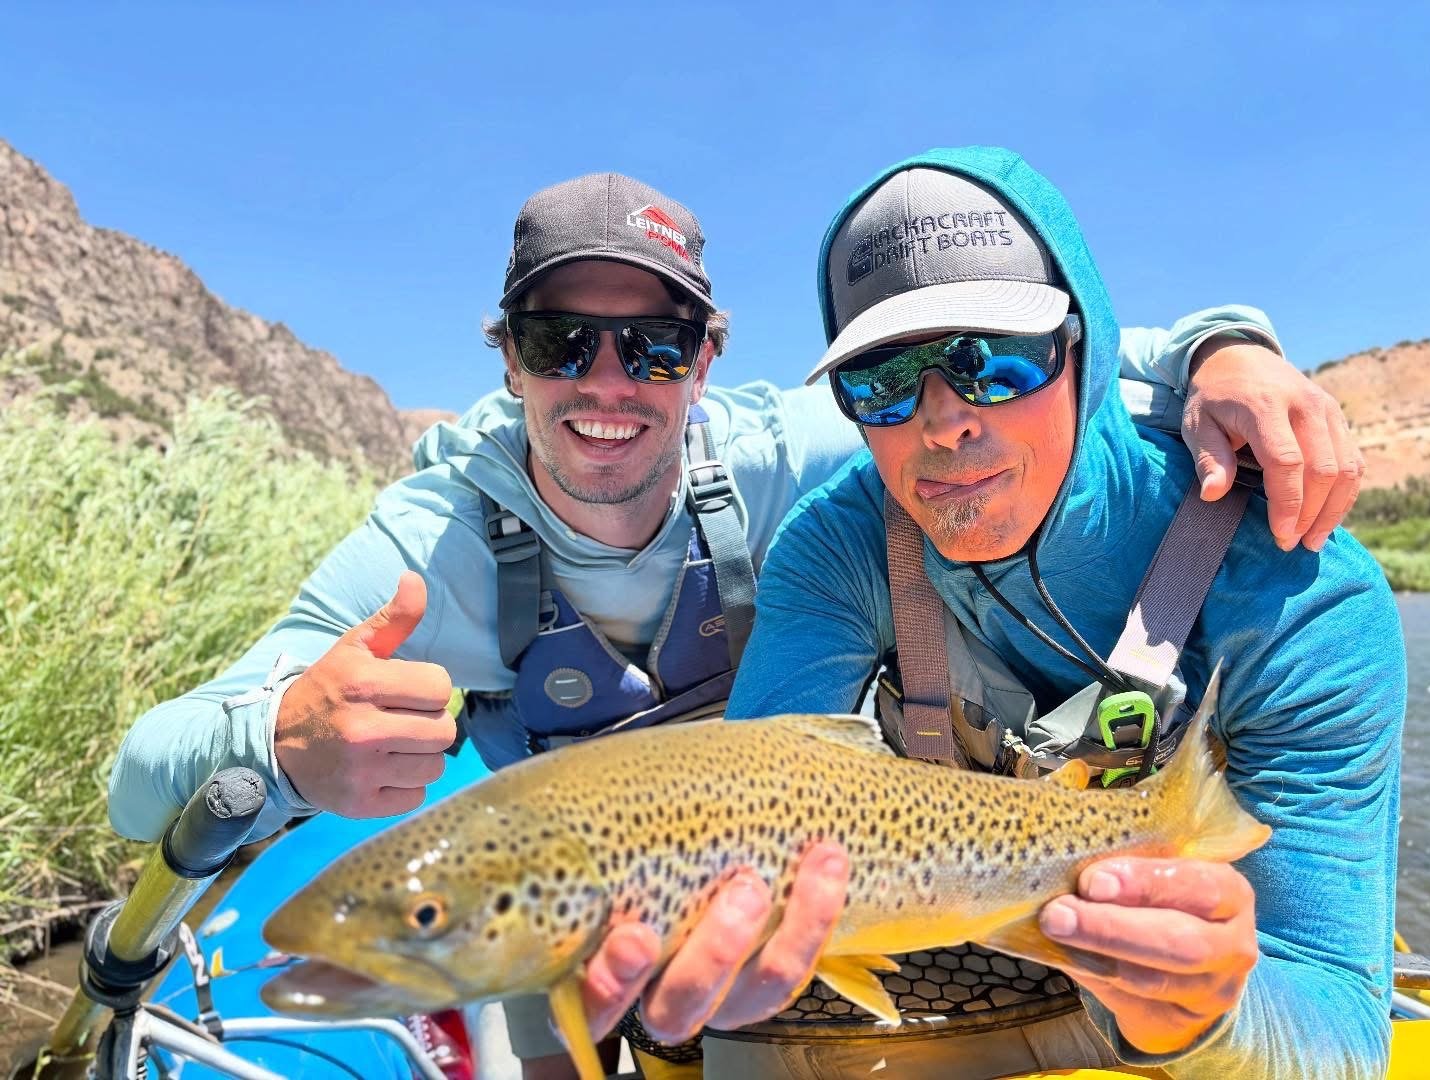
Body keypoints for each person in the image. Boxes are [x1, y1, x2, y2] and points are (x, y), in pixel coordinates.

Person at [109, 171, 1364, 1079]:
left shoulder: (797, 459)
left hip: (760, 842)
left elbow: (1065, 344)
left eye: (651, 346)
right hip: (616, 893)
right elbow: (132, 780)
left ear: (705, 358)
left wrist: (1225, 349)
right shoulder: (423, 547)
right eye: (562, 339)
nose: (608, 380)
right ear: (508, 356)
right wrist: (278, 739)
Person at [577, 150, 1402, 1079]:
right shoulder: (837, 544)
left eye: (993, 363)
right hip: (931, 964)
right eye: (884, 381)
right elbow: (758, 791)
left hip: (1203, 1006)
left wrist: (1203, 1019)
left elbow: (1341, 1024)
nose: (944, 422)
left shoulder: (1304, 593)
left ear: (1081, 352)